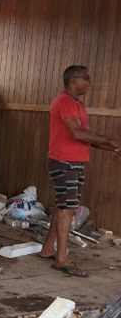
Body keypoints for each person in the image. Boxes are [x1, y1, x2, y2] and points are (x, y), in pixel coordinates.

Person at [38, 65, 121, 277]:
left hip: (73, 162)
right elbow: (77, 133)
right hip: (65, 162)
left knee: (62, 206)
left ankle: (48, 249)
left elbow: (87, 138)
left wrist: (114, 147)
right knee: (67, 209)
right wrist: (111, 140)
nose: (89, 83)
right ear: (74, 81)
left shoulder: (76, 104)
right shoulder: (65, 102)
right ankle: (62, 259)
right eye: (86, 78)